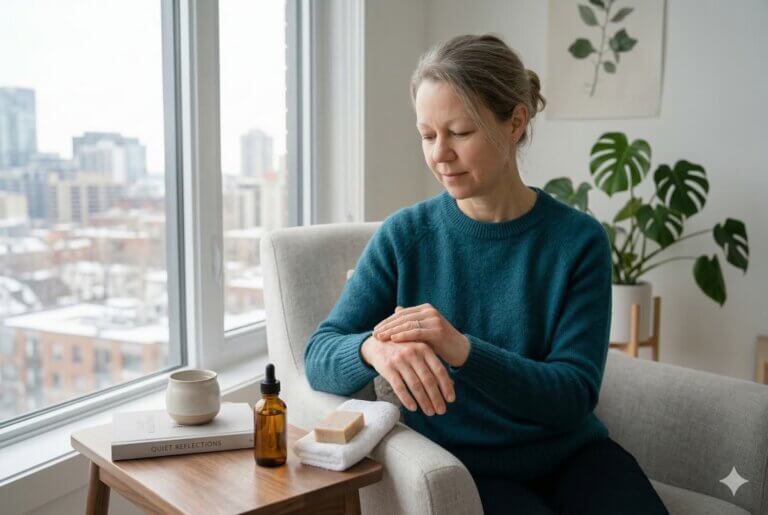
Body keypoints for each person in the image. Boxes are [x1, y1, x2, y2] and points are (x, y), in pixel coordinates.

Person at [303, 34, 668, 515]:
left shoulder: (579, 242)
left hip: (574, 456)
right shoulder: (405, 236)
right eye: (427, 135)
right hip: (465, 469)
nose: (439, 154)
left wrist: (463, 350)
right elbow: (319, 352)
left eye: (459, 132)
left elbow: (573, 394)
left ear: (515, 122)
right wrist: (372, 348)